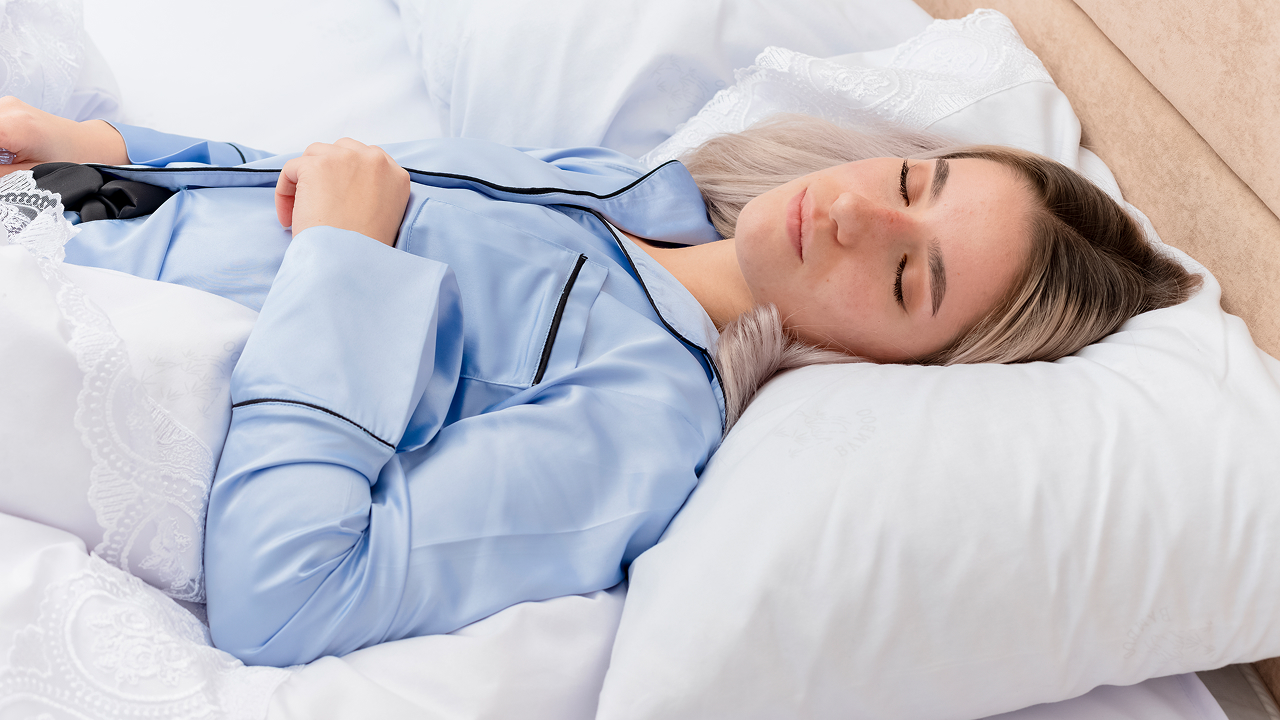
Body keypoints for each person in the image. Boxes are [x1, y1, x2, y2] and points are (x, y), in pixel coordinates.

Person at [0, 97, 1199, 667]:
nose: (851, 211)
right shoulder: (626, 188)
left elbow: (289, 593)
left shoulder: (641, 429)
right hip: (51, 211)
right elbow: (288, 187)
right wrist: (113, 156)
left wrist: (347, 261)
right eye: (912, 179)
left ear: (895, 373)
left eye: (904, 280)